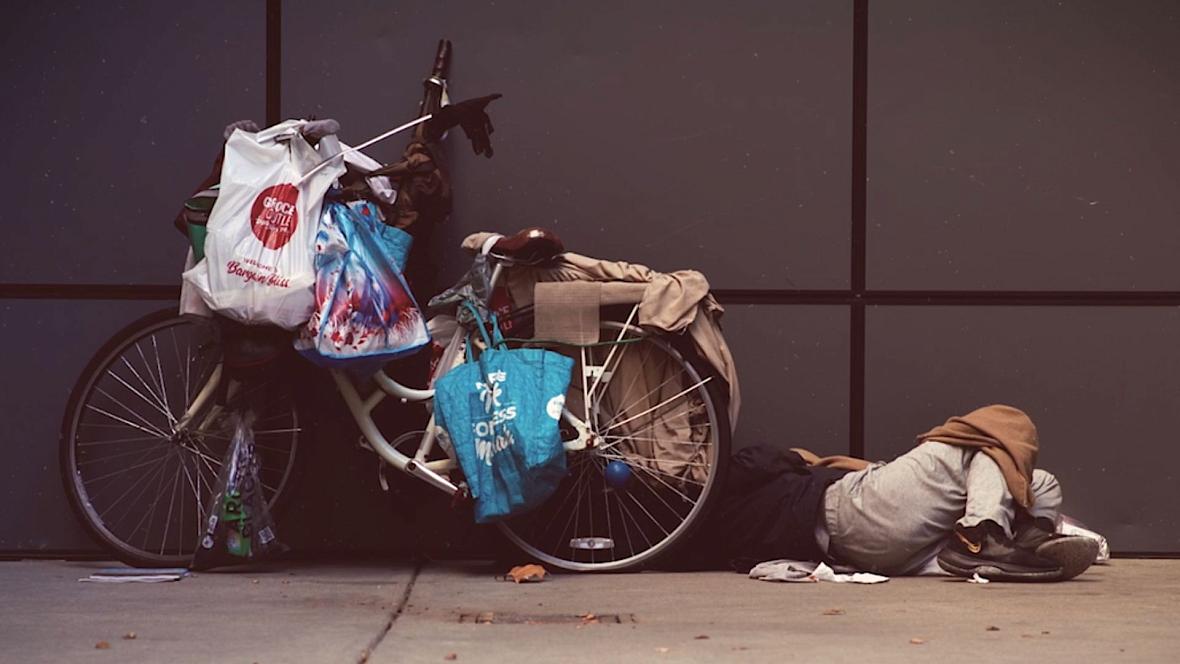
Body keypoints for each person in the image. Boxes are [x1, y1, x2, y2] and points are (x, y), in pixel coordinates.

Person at [701, 405, 1099, 581]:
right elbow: (756, 462)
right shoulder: (722, 489)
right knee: (988, 431)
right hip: (847, 512)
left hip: (896, 546)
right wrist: (798, 458)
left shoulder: (713, 519)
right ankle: (984, 534)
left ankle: (1026, 537)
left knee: (1039, 480)